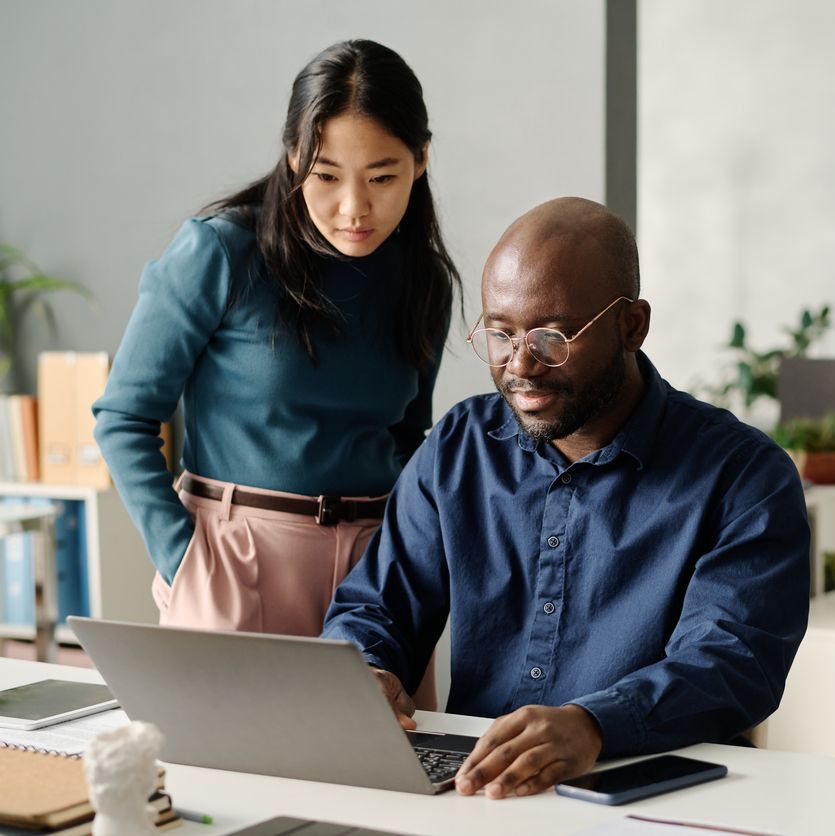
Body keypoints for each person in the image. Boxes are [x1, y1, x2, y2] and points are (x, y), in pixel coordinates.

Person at [322, 196, 811, 797]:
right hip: (485, 794)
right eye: (500, 334)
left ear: (632, 324)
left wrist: (595, 725)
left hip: (659, 798)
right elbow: (376, 606)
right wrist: (366, 670)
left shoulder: (744, 476)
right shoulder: (460, 445)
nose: (521, 364)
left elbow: (732, 662)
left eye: (553, 337)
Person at [93, 39, 460, 709]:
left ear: (421, 160)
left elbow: (411, 438)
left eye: (382, 177)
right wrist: (186, 560)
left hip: (376, 576)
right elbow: (124, 416)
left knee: (389, 784)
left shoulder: (422, 281)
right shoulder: (222, 250)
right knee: (229, 784)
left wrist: (406, 561)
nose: (355, 207)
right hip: (235, 560)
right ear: (292, 156)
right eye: (326, 175)